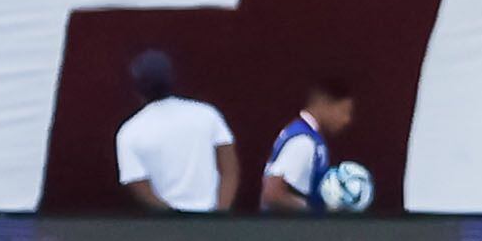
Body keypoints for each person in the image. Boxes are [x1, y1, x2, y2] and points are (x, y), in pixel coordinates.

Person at [113, 50, 236, 214]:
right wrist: (220, 214)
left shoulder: (129, 132)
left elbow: (137, 185)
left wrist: (174, 220)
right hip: (210, 220)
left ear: (136, 88)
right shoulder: (206, 114)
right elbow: (230, 168)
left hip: (169, 229)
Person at [259, 78, 363, 210]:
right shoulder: (304, 141)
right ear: (324, 104)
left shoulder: (304, 135)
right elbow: (273, 194)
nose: (346, 120)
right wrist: (315, 214)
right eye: (344, 111)